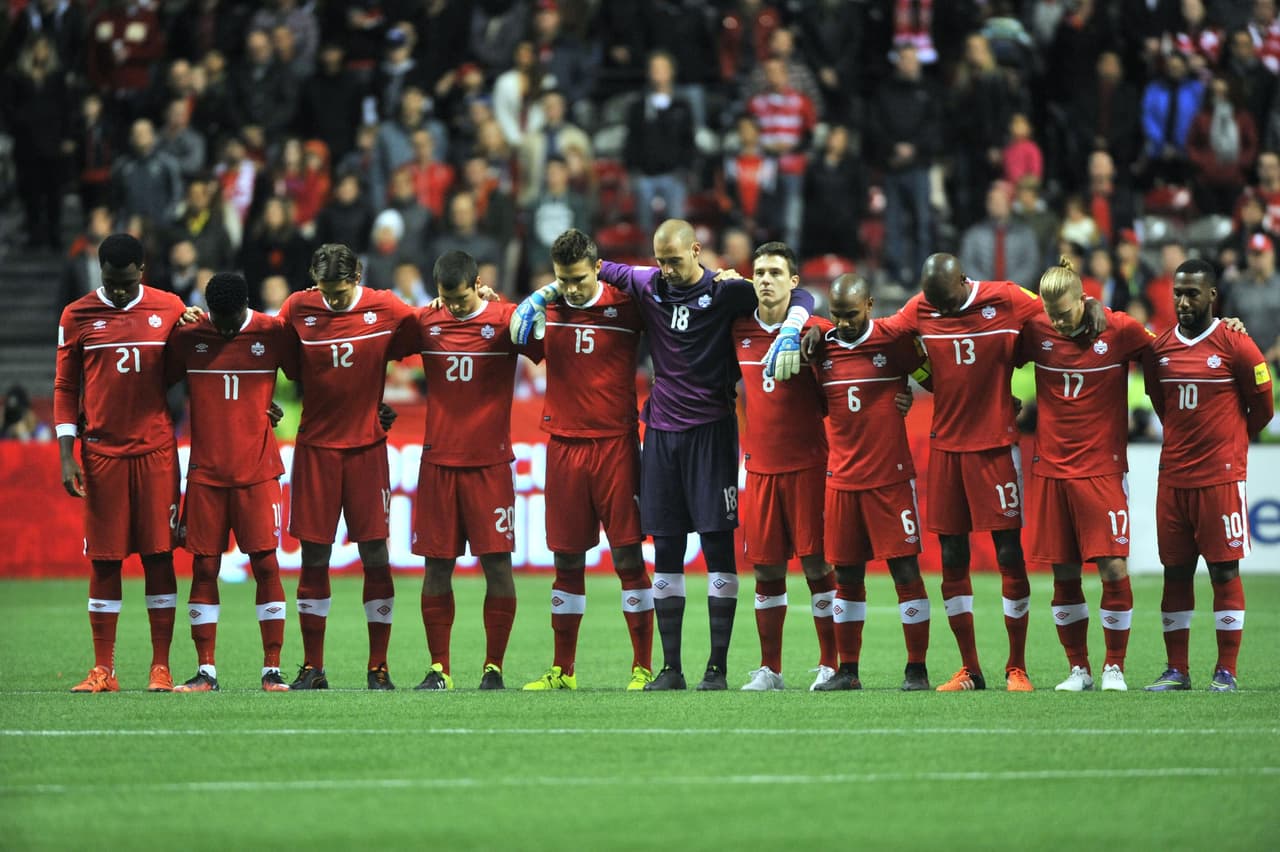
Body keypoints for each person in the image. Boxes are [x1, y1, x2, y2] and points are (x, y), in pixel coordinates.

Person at [512, 219, 815, 690]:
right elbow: (586, 272)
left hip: (712, 432)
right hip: (660, 434)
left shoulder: (725, 291)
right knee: (666, 549)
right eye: (660, 261)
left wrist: (795, 325)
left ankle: (716, 668)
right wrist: (540, 295)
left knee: (717, 547)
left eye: (675, 260)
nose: (667, 270)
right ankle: (670, 669)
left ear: (696, 251)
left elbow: (795, 296)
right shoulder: (647, 283)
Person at [880, 253, 1105, 692]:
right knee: (952, 558)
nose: (941, 312)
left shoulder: (1005, 298)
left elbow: (1060, 306)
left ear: (964, 280)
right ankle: (970, 669)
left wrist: (1096, 304)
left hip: (996, 448)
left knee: (1007, 554)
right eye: (936, 305)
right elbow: (879, 336)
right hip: (945, 449)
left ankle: (1016, 666)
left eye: (947, 302)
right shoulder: (920, 307)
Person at [54, 233, 194, 692]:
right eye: (109, 282)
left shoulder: (170, 308)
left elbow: (201, 358)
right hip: (101, 453)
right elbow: (64, 388)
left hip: (155, 451)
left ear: (142, 269)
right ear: (101, 272)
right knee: (105, 560)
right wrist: (66, 454)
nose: (116, 290)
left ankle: (160, 667)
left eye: (125, 281)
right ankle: (103, 669)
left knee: (158, 556)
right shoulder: (77, 316)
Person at [516, 230, 655, 690]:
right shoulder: (548, 310)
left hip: (615, 445)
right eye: (562, 280)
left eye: (578, 278)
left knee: (628, 557)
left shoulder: (627, 305)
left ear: (597, 268)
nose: (571, 288)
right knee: (567, 561)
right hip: (563, 445)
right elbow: (510, 334)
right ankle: (564, 670)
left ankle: (642, 666)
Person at [277, 243, 418, 690]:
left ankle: (378, 667)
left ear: (358, 276)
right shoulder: (298, 309)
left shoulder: (387, 308)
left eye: (340, 292)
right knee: (314, 557)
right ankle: (313, 667)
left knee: (375, 555)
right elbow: (265, 352)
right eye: (325, 291)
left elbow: (429, 332)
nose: (333, 300)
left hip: (366, 451)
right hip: (316, 450)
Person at [1019, 259, 1156, 692]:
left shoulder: (1120, 330)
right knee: (1064, 573)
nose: (1056, 321)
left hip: (1102, 471)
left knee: (1113, 568)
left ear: (1083, 298)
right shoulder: (1035, 328)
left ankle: (1114, 666)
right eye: (1050, 313)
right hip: (1052, 472)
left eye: (1065, 312)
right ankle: (1078, 668)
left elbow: (1167, 349)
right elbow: (990, 354)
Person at [413, 251, 541, 691]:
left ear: (478, 283)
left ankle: (494, 667)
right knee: (436, 568)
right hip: (438, 463)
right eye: (447, 300)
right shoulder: (426, 322)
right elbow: (375, 347)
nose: (455, 307)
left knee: (498, 567)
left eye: (463, 299)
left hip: (490, 464)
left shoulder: (506, 319)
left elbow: (544, 348)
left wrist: (503, 303)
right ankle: (439, 669)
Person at [1144, 259, 1274, 692]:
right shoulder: (1160, 349)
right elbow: (1164, 407)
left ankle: (1226, 671)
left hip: (1220, 480)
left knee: (1223, 571)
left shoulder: (1236, 345)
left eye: (1192, 293)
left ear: (1212, 296)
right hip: (1173, 479)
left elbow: (1263, 408)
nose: (1182, 301)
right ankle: (1176, 670)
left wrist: (1231, 443)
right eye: (1178, 292)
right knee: (1175, 573)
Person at [164, 272, 298, 691]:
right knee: (203, 567)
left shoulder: (273, 333)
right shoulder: (189, 335)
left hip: (257, 472)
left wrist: (266, 404)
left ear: (246, 306)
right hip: (207, 473)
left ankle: (271, 671)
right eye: (216, 320)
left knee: (266, 564)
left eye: (230, 320)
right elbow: (156, 378)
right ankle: (206, 671)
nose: (221, 329)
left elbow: (308, 376)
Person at [808, 274, 934, 692]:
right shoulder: (820, 349)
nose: (842, 322)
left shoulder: (893, 342)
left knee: (904, 571)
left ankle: (916, 668)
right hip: (842, 479)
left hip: (889, 478)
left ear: (870, 305)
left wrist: (910, 391)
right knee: (847, 577)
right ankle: (849, 671)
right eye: (836, 315)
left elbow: (935, 378)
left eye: (850, 314)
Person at [731, 243, 837, 691]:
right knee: (766, 570)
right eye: (759, 272)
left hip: (809, 466)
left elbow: (839, 394)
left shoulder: (817, 332)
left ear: (794, 282)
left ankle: (831, 663)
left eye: (776, 272)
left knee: (817, 567)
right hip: (760, 469)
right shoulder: (737, 330)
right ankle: (770, 669)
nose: (766, 279)